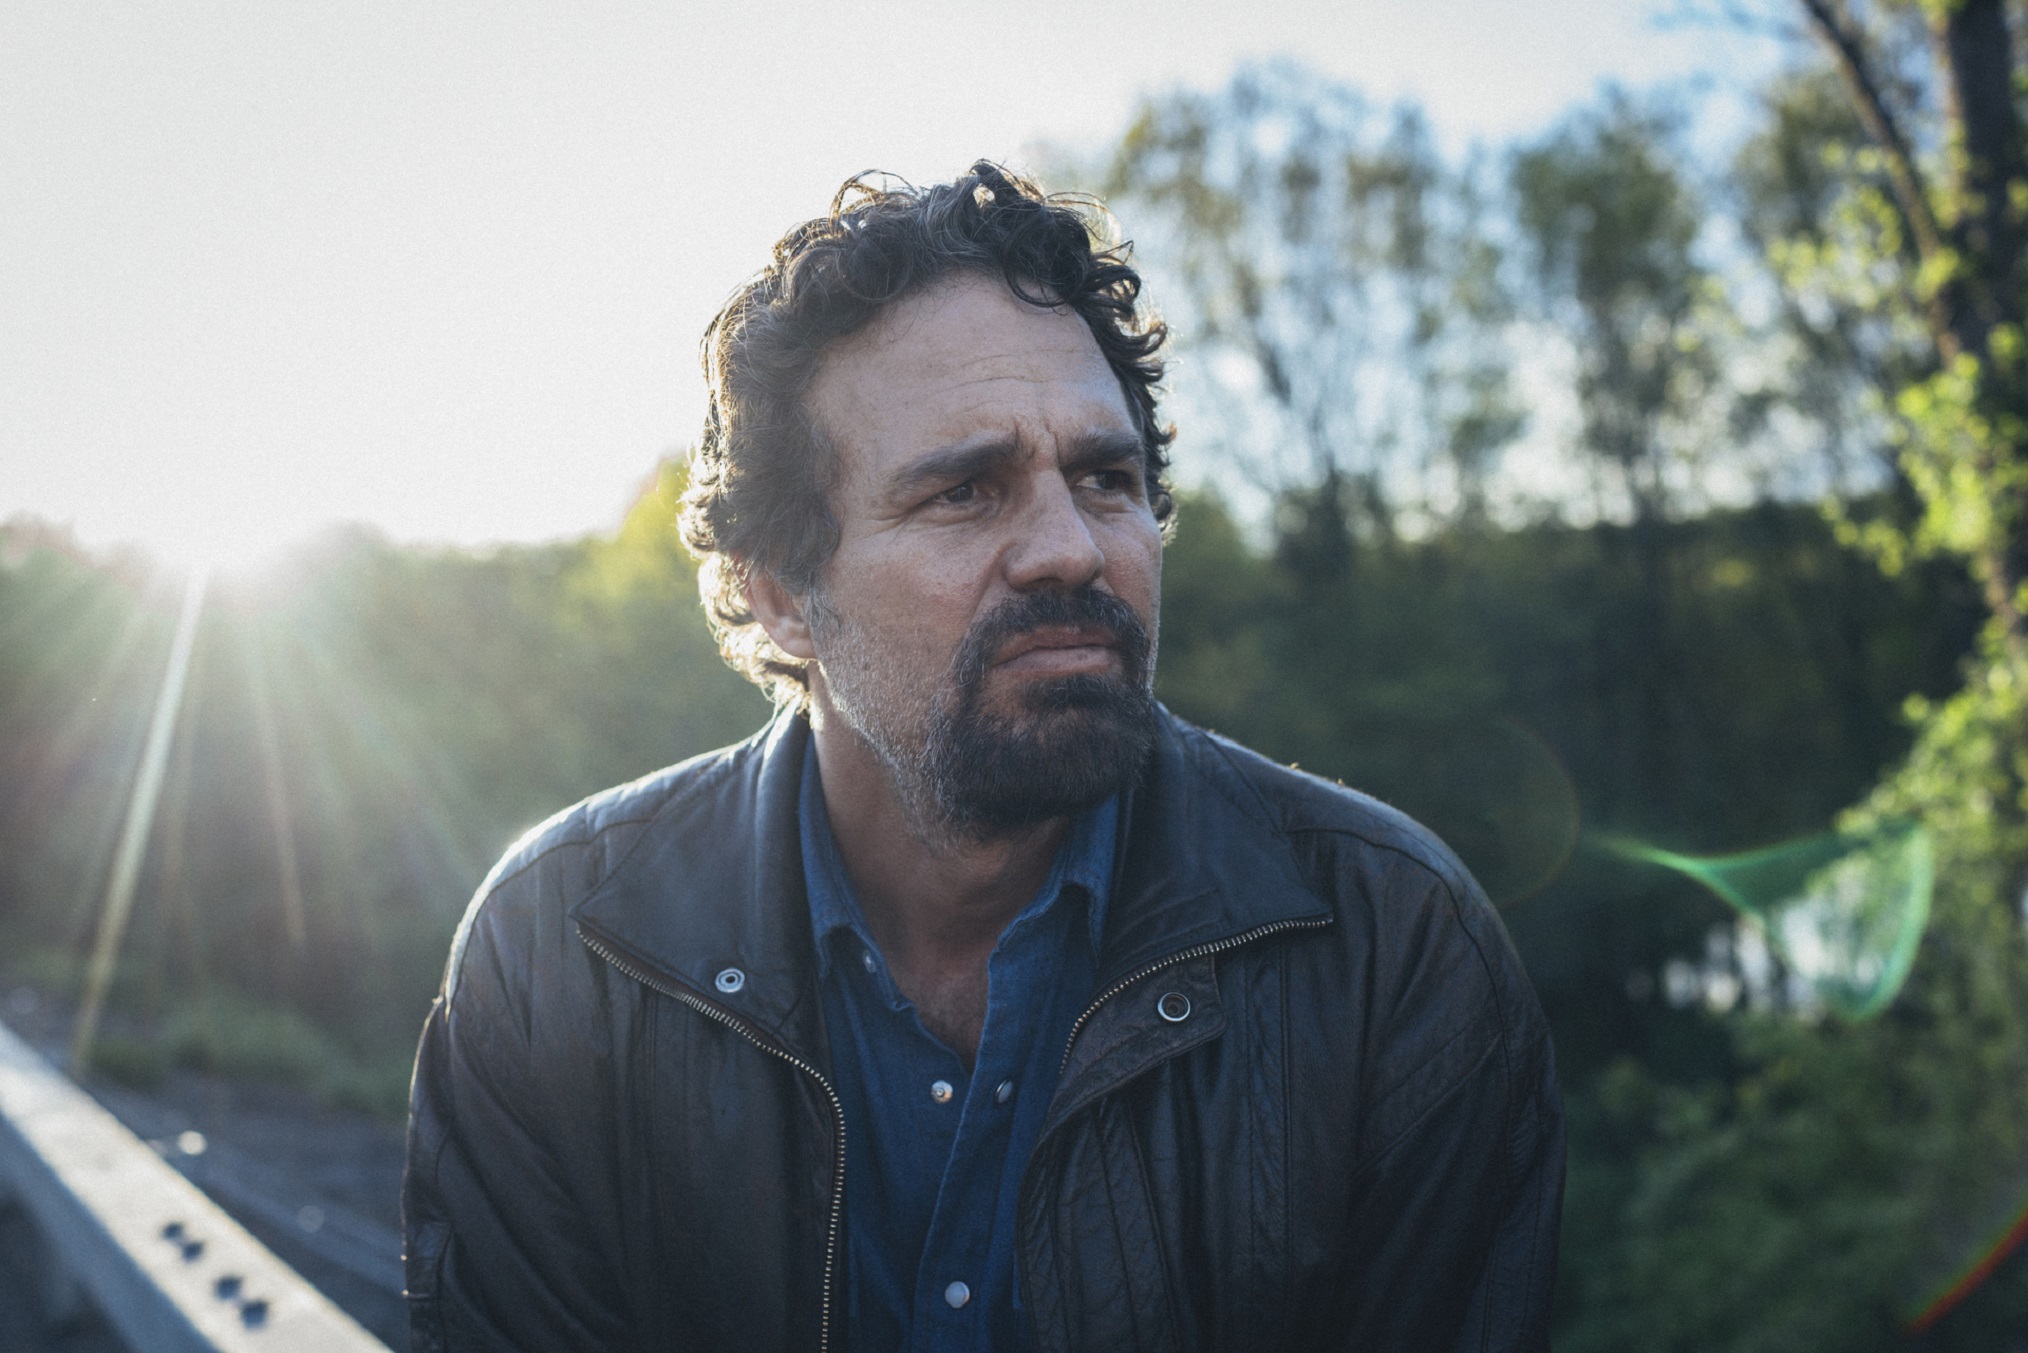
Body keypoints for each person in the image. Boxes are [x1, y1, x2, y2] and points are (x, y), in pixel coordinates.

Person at [402, 161, 1563, 1353]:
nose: (1073, 548)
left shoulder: (1388, 945)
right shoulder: (563, 953)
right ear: (783, 594)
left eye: (1106, 478)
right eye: (966, 492)